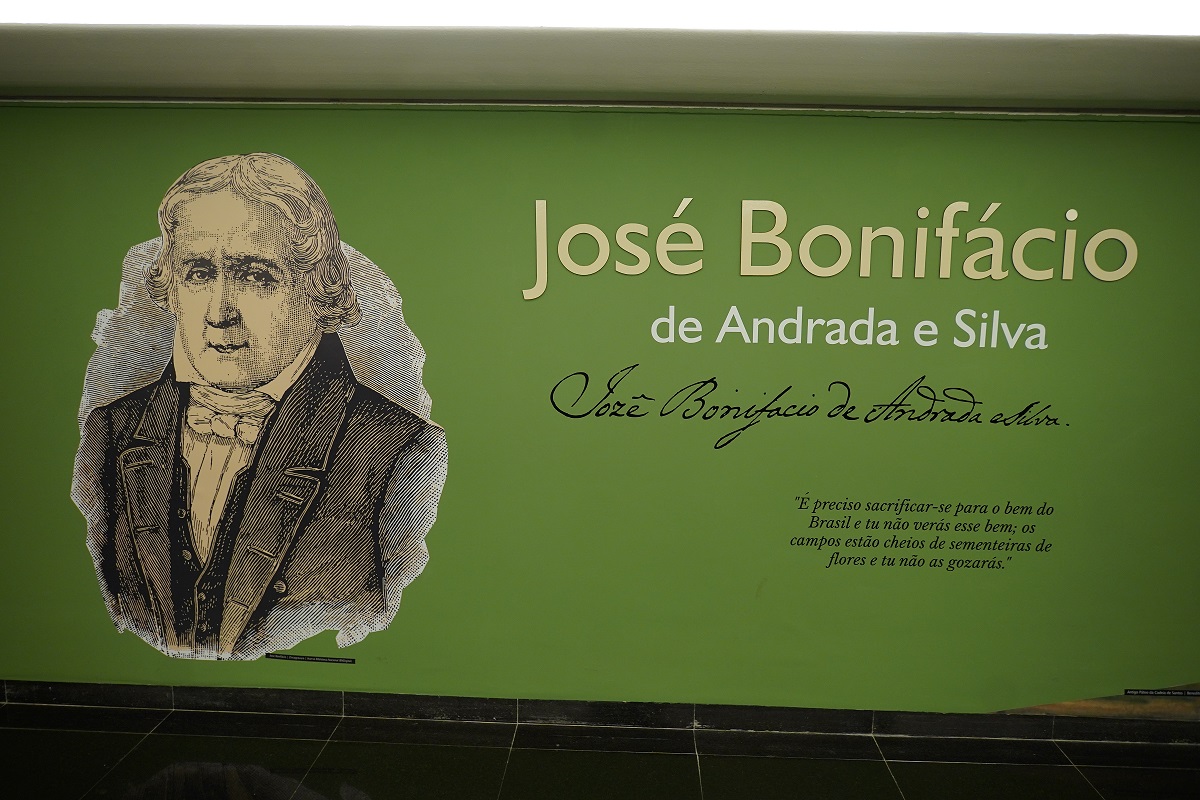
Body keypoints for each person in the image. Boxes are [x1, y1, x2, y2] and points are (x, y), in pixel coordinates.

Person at [72, 153, 446, 660]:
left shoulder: (398, 449)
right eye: (199, 272)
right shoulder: (110, 432)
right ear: (171, 287)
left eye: (254, 275)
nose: (219, 312)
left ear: (317, 288)